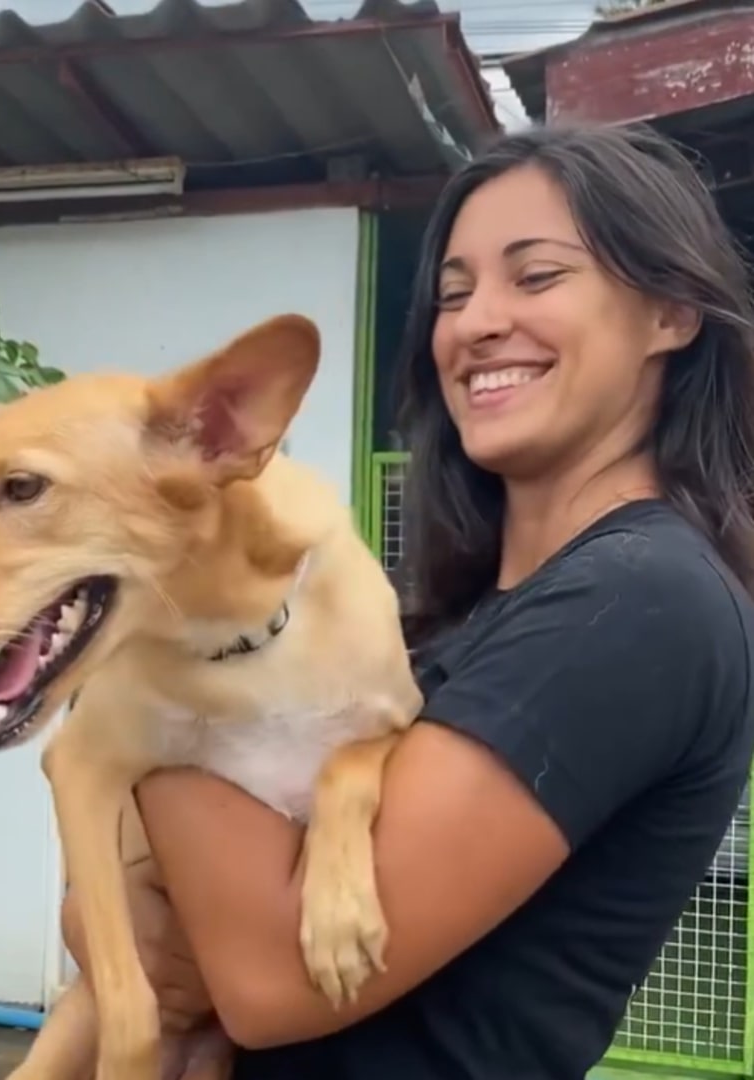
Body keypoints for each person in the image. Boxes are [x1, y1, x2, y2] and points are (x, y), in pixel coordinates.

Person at [67, 123, 754, 1079]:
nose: (476, 324)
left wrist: (167, 628)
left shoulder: (638, 601)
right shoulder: (457, 621)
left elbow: (265, 981)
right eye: (453, 294)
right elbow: (117, 929)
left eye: (538, 276)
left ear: (670, 314)